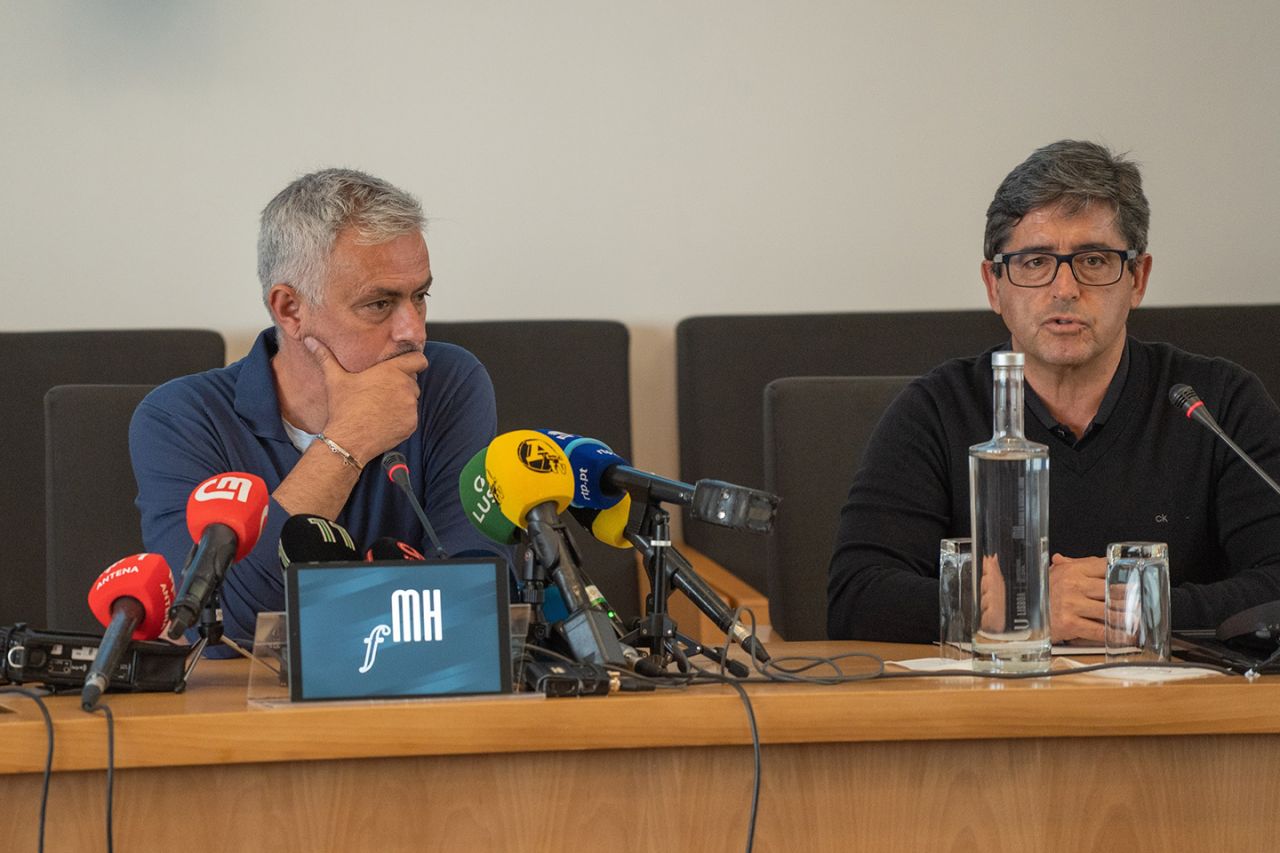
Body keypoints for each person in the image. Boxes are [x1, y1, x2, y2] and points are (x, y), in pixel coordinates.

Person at [827, 140, 1280, 644]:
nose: (1064, 288)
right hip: (988, 714)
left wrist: (1133, 606)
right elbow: (856, 598)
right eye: (1035, 262)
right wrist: (1029, 605)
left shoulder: (1216, 403)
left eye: (1093, 260)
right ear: (993, 285)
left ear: (1138, 278)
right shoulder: (934, 411)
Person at [130, 168, 501, 650]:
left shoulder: (449, 382)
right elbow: (225, 626)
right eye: (379, 304)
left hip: (420, 703)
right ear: (289, 310)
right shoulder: (179, 420)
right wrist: (347, 442)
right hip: (241, 716)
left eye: (420, 296)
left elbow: (476, 595)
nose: (413, 330)